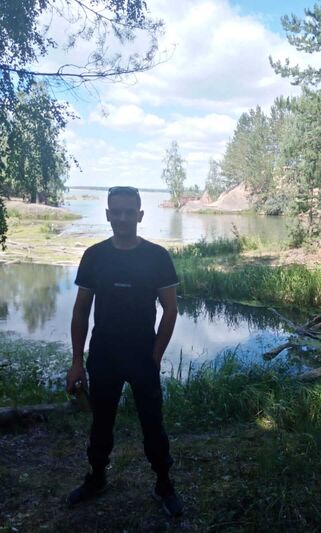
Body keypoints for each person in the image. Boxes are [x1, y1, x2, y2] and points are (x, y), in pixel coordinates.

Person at [66, 186, 183, 517]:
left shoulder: (157, 256)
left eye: (129, 212)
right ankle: (96, 478)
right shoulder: (94, 256)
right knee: (101, 423)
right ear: (107, 215)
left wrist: (155, 356)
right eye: (116, 212)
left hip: (143, 353)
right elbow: (80, 311)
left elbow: (170, 310)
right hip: (103, 354)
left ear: (140, 215)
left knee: (152, 423)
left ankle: (164, 483)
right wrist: (77, 362)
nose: (122, 218)